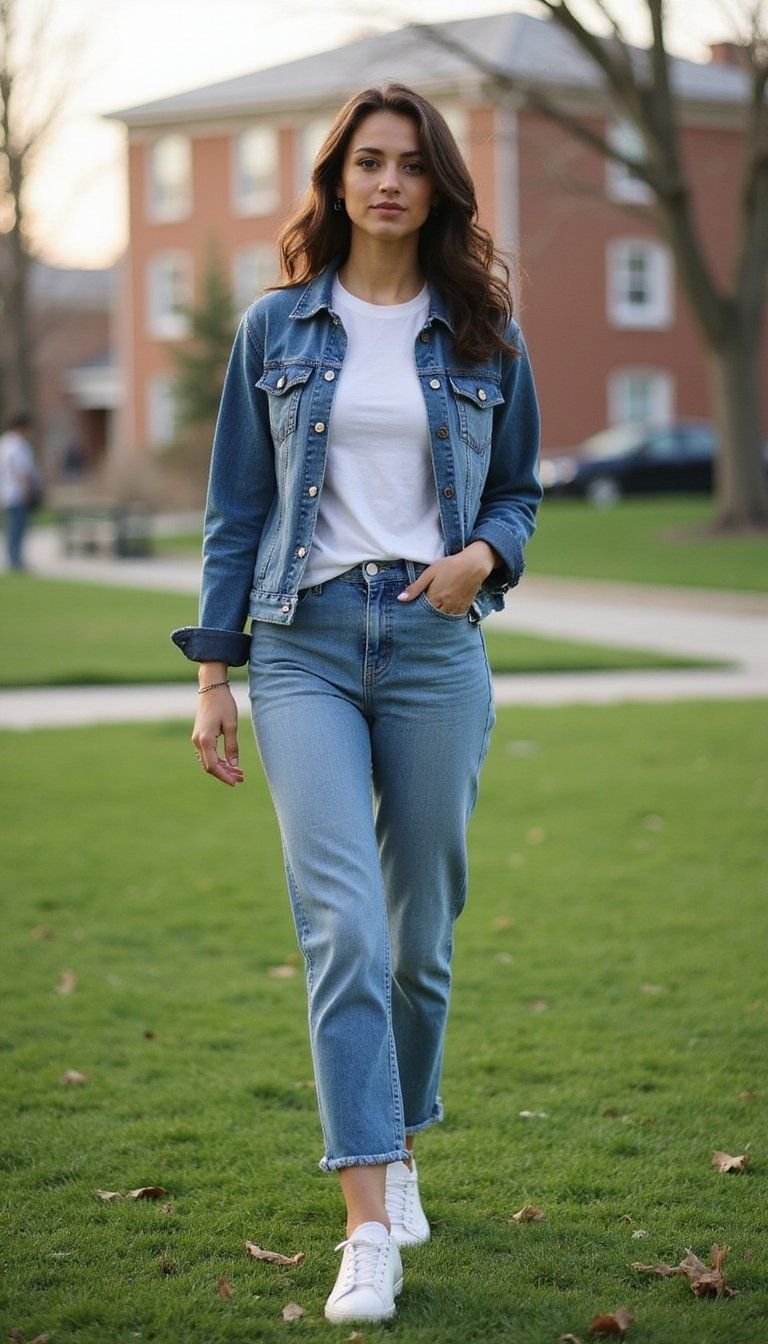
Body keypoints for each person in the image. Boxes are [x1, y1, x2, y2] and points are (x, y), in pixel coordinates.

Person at [172, 83, 541, 1324]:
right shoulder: (276, 327)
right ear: (334, 183)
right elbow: (236, 511)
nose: (388, 181)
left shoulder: (485, 329)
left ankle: (404, 1138)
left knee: (420, 944)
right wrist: (215, 676)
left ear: (438, 184)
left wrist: (482, 561)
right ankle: (368, 1222)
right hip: (303, 645)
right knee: (342, 930)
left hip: (436, 644)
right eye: (366, 163)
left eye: (411, 164)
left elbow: (521, 493)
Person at [0, 412, 39, 571]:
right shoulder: (18, 445)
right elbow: (20, 471)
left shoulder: (4, 443)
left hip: (6, 492)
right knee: (17, 527)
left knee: (12, 527)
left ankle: (13, 558)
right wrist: (27, 490)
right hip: (17, 493)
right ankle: (16, 560)